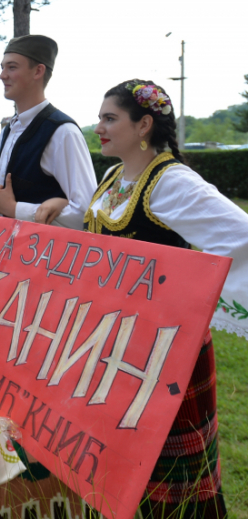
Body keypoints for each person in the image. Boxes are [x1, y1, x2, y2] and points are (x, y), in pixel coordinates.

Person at [84, 80, 244, 519]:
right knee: (133, 467)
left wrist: (187, 294)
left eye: (109, 118)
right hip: (120, 348)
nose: (99, 127)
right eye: (99, 118)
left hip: (166, 351)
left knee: (178, 480)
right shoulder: (113, 177)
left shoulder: (171, 181)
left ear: (144, 126)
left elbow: (240, 237)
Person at [0, 35, 96, 230]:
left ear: (38, 71)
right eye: (2, 67)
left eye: (12, 67)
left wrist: (14, 209)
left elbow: (86, 214)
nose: (2, 75)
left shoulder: (62, 132)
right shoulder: (9, 130)